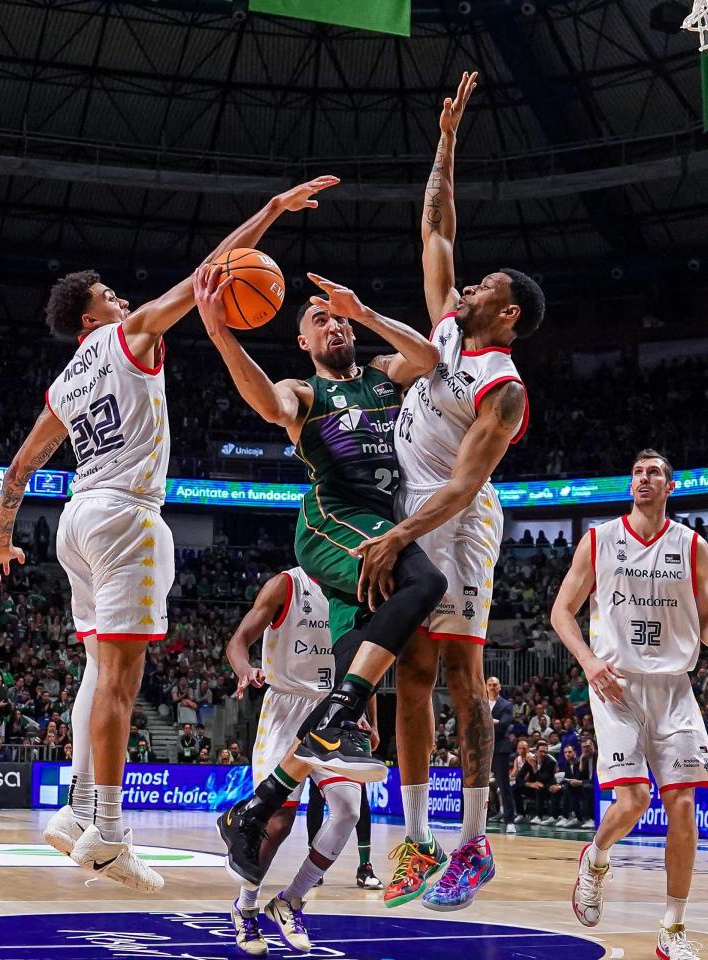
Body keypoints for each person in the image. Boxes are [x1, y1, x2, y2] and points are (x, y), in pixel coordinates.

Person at [0, 175, 339, 894]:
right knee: (121, 680)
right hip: (126, 518)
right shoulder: (130, 334)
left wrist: (1, 540)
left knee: (96, 671)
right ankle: (111, 834)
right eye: (108, 295)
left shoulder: (65, 383)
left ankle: (76, 809)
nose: (120, 298)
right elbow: (211, 269)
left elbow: (20, 468)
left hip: (76, 520)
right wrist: (271, 209)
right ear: (90, 318)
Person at [193, 264, 447, 889]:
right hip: (336, 522)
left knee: (359, 664)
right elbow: (267, 404)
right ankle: (335, 717)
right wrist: (221, 333)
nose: (333, 326)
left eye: (338, 320)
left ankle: (253, 812)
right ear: (303, 341)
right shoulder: (304, 392)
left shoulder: (384, 375)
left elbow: (429, 357)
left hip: (380, 527)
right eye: (318, 320)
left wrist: (363, 311)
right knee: (427, 584)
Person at [373, 70, 546, 912]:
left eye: (487, 290)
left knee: (461, 678)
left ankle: (474, 843)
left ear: (507, 315)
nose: (470, 288)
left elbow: (464, 484)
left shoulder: (502, 388)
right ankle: (416, 841)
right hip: (410, 515)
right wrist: (445, 142)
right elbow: (436, 226)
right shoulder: (446, 327)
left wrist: (400, 537)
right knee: (409, 672)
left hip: (457, 522)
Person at [552, 449, 708, 960]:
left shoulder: (693, 546)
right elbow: (561, 611)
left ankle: (673, 929)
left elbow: (707, 618)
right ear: (630, 484)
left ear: (669, 487)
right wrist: (589, 662)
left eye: (654, 473)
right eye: (638, 472)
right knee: (635, 800)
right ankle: (596, 858)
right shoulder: (599, 540)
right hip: (616, 685)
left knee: (682, 804)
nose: (644, 478)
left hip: (674, 688)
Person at [222, 567, 371, 955]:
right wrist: (245, 670)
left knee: (348, 811)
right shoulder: (286, 585)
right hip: (285, 709)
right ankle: (245, 906)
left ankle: (291, 900)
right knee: (278, 821)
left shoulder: (356, 585)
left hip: (332, 709)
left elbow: (362, 659)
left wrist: (363, 712)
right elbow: (238, 642)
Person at [487, 677, 517, 824]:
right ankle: (479, 819)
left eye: (495, 684)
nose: (492, 687)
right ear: (486, 687)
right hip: (483, 748)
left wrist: (486, 720)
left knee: (503, 785)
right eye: (490, 684)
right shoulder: (481, 703)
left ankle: (509, 821)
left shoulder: (506, 705)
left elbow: (503, 725)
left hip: (500, 748)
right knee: (478, 785)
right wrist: (493, 721)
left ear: (499, 687)